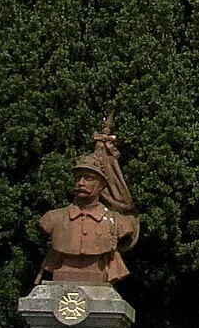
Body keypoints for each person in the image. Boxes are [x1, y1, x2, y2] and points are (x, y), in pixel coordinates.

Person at [37, 118, 140, 285]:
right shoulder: (53, 218)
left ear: (102, 186)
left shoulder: (116, 223)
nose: (81, 183)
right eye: (78, 178)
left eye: (89, 178)